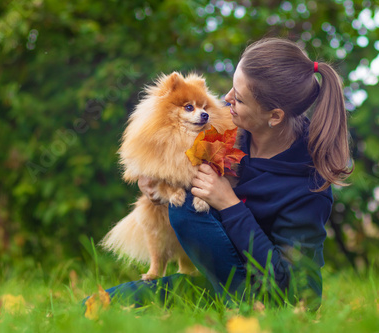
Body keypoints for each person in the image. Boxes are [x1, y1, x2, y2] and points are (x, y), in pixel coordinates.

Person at [92, 37, 352, 310]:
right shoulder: (223, 128)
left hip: (275, 294)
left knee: (189, 205)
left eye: (238, 99)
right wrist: (156, 180)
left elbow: (297, 293)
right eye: (232, 88)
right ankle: (218, 298)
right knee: (97, 305)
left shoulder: (308, 185)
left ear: (274, 116)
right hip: (215, 277)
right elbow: (165, 147)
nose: (226, 99)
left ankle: (237, 304)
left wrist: (229, 205)